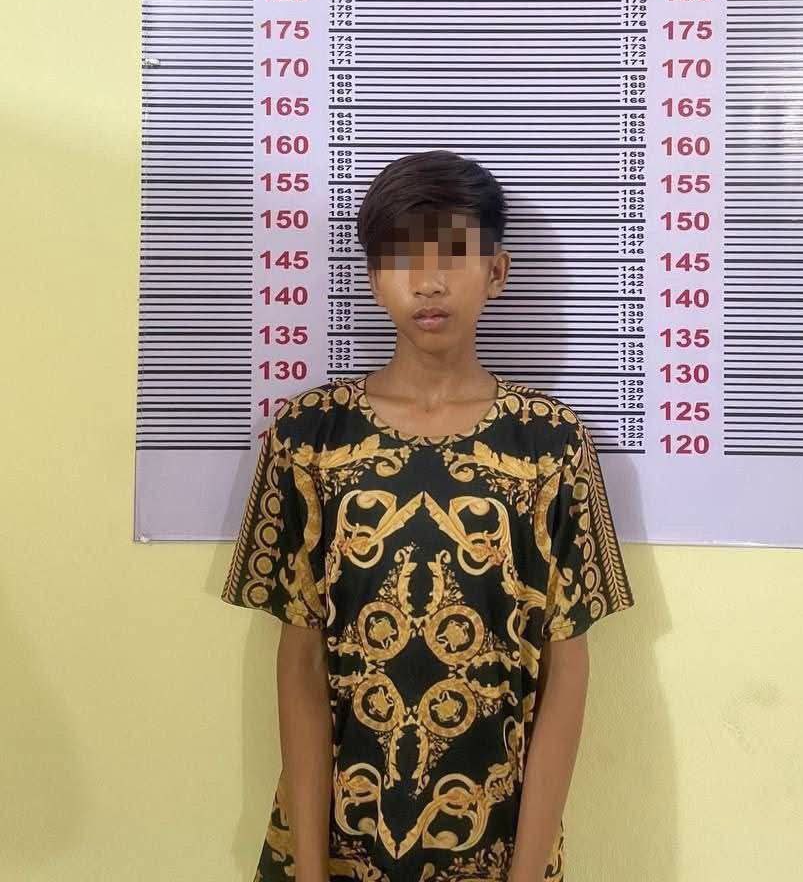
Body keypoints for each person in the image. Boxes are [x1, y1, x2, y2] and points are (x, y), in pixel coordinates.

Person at [221, 148, 635, 882]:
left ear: (497, 272)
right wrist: (311, 869)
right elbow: (300, 660)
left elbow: (566, 671)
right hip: (336, 842)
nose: (429, 281)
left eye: (453, 255)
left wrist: (526, 870)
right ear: (373, 276)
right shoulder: (310, 438)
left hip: (492, 840)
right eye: (402, 258)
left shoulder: (550, 447)